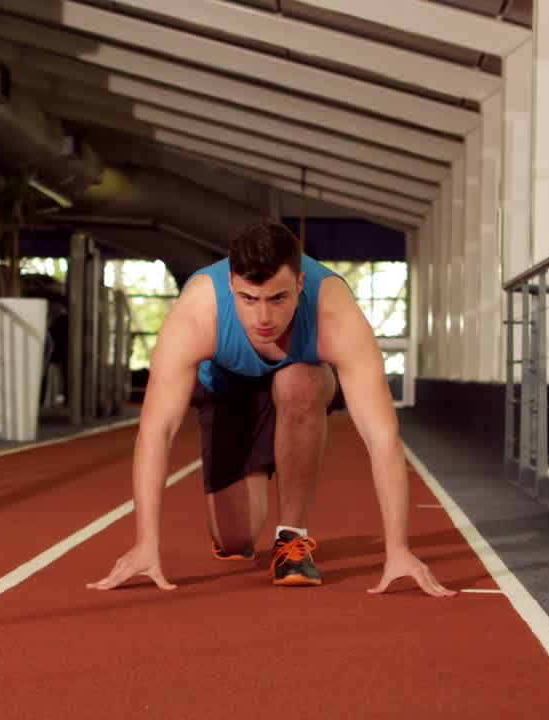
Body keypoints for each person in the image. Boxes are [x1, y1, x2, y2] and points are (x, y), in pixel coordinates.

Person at [87, 219, 455, 596]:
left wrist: (398, 549)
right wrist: (146, 542)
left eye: (278, 299)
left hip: (298, 382)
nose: (264, 318)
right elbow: (157, 429)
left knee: (298, 383)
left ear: (299, 285)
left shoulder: (335, 315)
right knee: (234, 541)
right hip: (228, 389)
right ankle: (258, 461)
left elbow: (382, 437)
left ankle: (291, 540)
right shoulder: (198, 312)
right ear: (231, 284)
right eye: (249, 299)